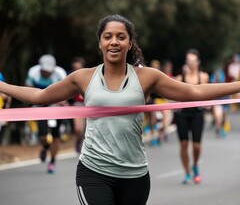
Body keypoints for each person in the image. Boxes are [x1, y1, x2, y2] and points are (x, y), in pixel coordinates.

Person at [1, 15, 240, 204]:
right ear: (100, 42)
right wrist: (2, 86)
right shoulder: (83, 78)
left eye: (120, 36)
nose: (114, 41)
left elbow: (194, 92)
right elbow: (40, 95)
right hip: (93, 171)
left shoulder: (147, 77)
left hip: (134, 175)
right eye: (108, 36)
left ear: (129, 42)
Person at [25, 54, 67, 173]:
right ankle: (45, 146)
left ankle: (52, 161)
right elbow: (27, 88)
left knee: (56, 136)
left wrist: (62, 102)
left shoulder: (60, 73)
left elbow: (66, 90)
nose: (46, 73)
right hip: (40, 105)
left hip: (55, 105)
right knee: (43, 136)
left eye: (48, 71)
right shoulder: (33, 72)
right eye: (44, 71)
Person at [174, 49, 209, 184]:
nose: (191, 63)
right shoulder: (179, 78)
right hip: (182, 113)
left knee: (196, 146)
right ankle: (187, 172)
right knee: (183, 143)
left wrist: (209, 104)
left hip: (197, 114)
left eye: (193, 61)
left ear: (198, 62)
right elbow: (176, 95)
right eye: (188, 61)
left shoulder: (203, 76)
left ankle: (195, 165)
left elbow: (206, 93)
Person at [69, 56, 86, 153]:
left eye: (79, 68)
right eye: (75, 69)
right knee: (78, 129)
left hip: (88, 105)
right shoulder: (70, 79)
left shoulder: (89, 77)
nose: (77, 71)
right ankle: (79, 140)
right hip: (76, 105)